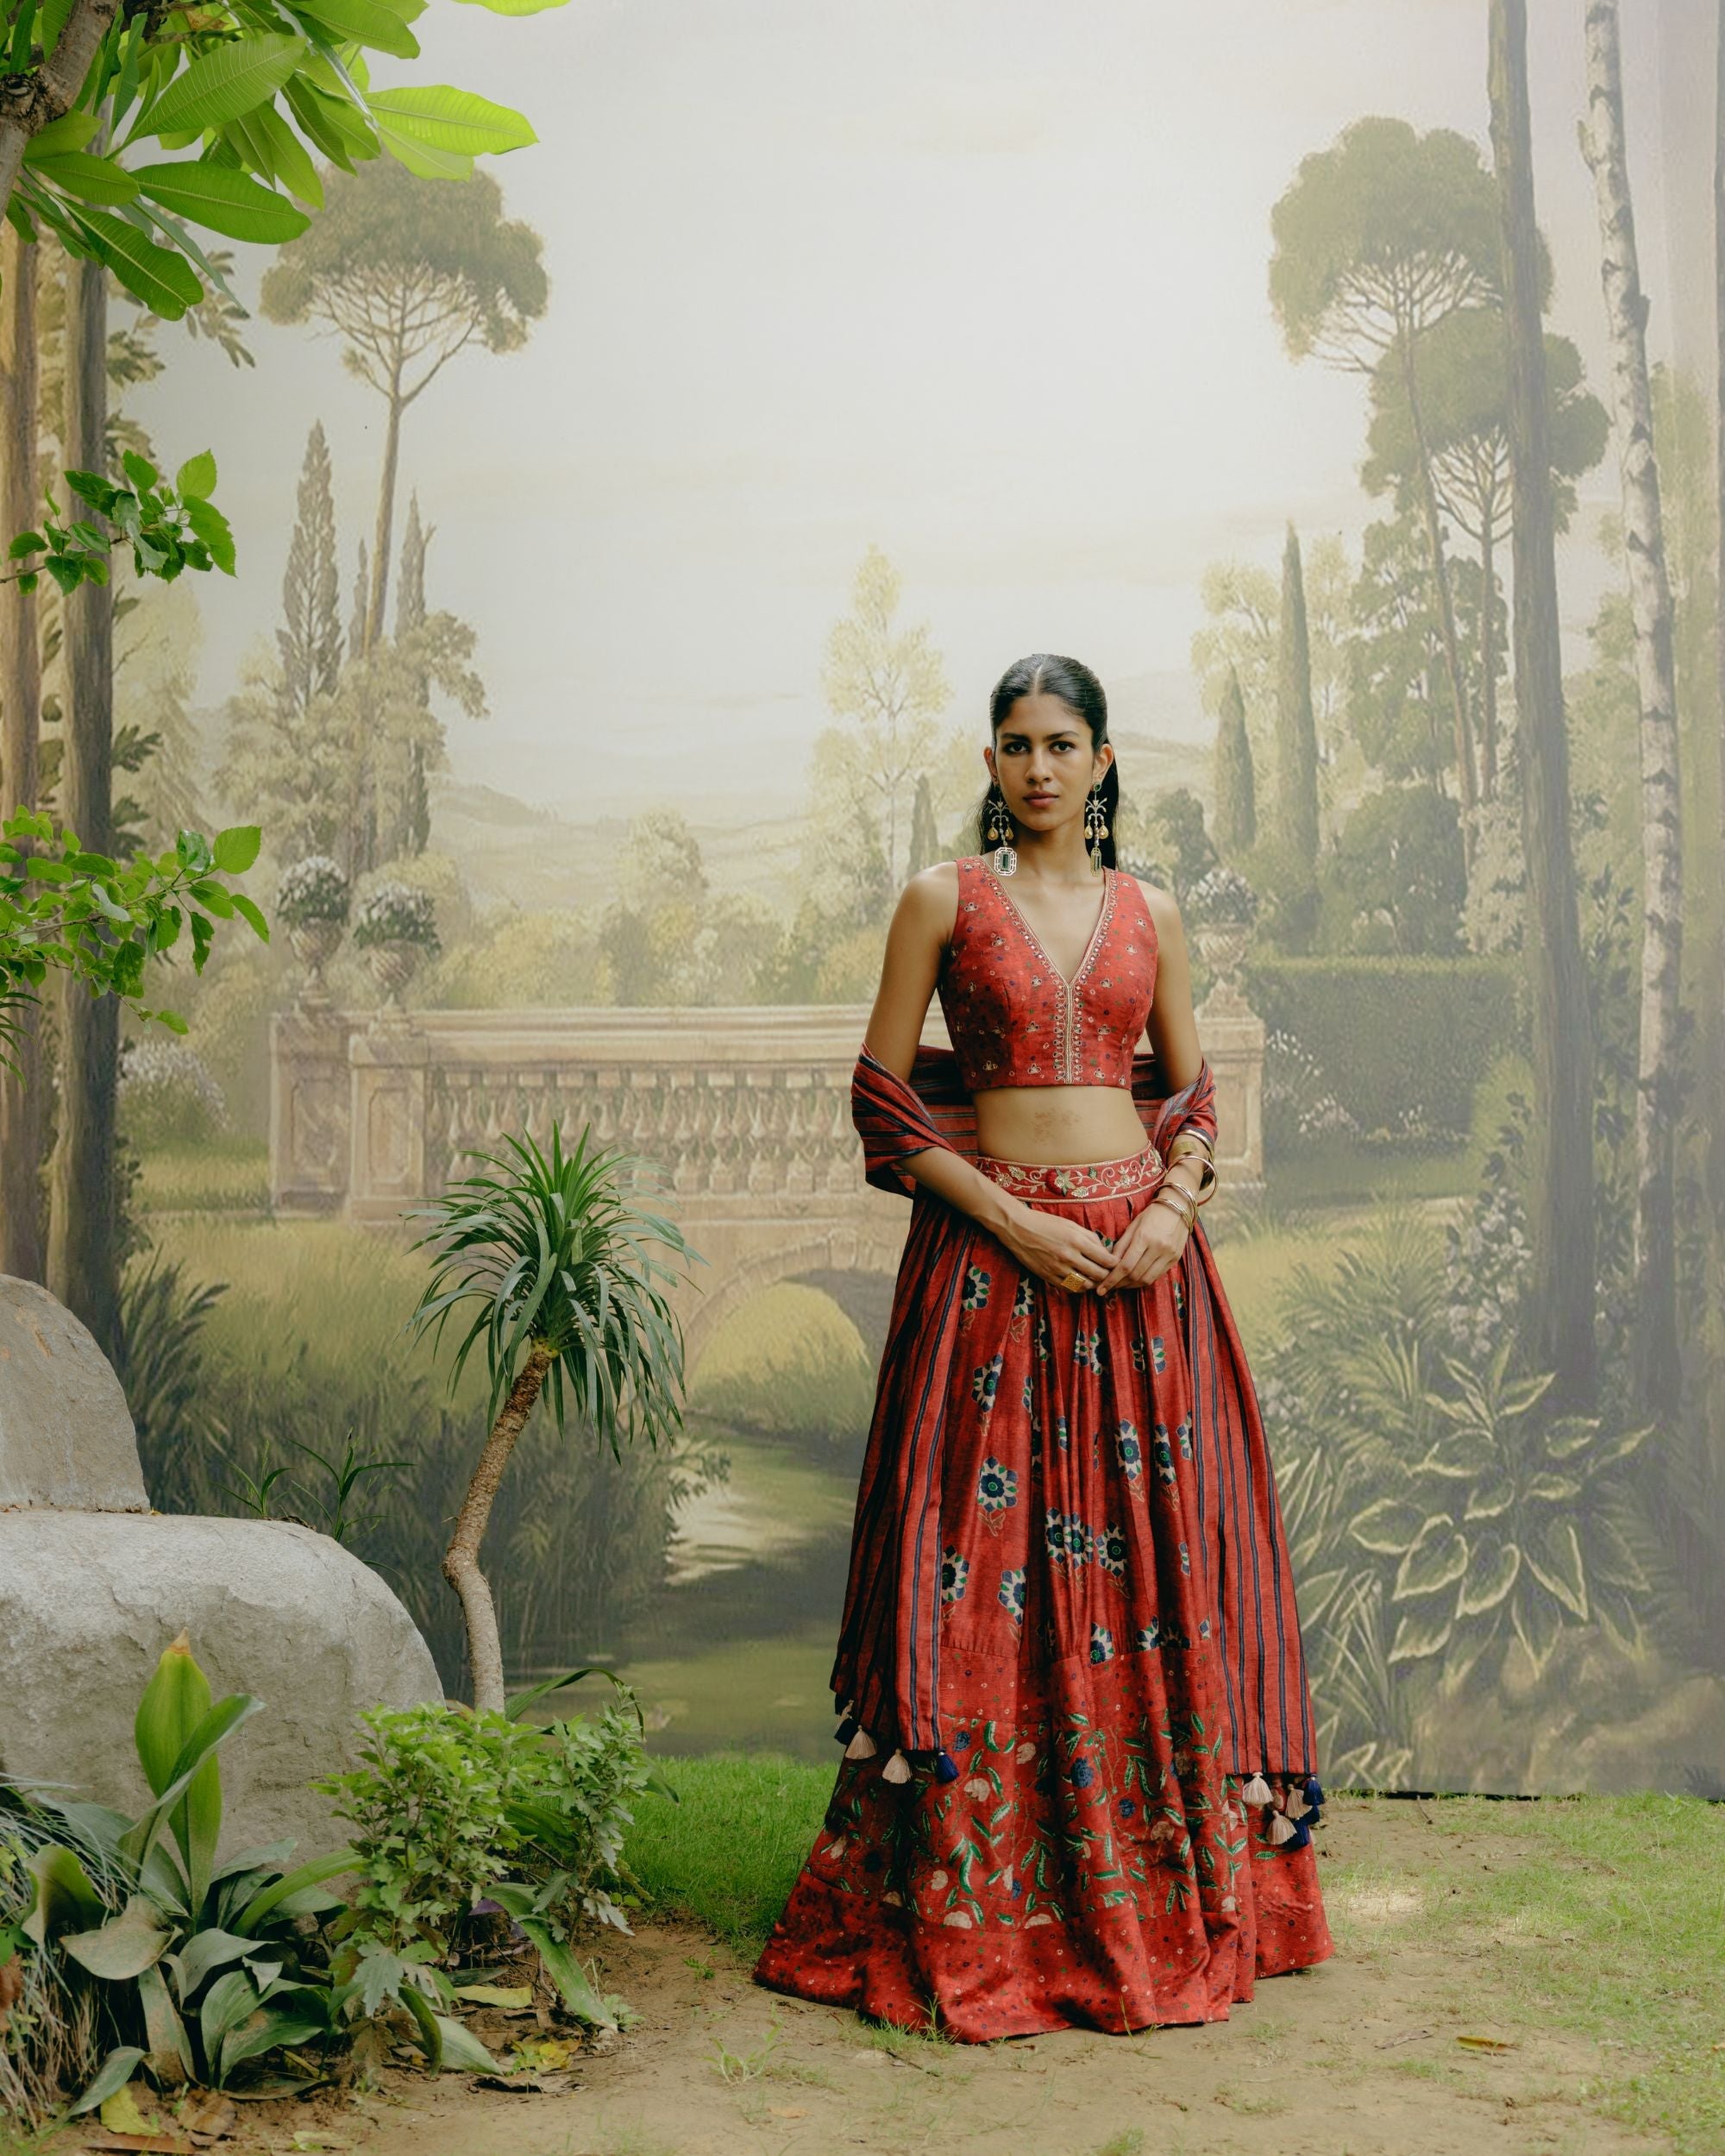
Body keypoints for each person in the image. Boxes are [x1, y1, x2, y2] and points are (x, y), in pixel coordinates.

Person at [751, 653, 1333, 2042]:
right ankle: (976, 1907)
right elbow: (886, 1105)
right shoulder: (942, 902)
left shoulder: (1154, 913)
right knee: (982, 1583)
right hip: (993, 1280)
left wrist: (1171, 1211)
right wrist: (1012, 1221)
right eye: (1016, 745)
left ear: (1105, 761)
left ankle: (1152, 1893)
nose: (1039, 768)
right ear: (994, 760)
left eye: (1064, 744)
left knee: (1155, 1573)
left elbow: (1192, 1101)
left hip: (1142, 1282)